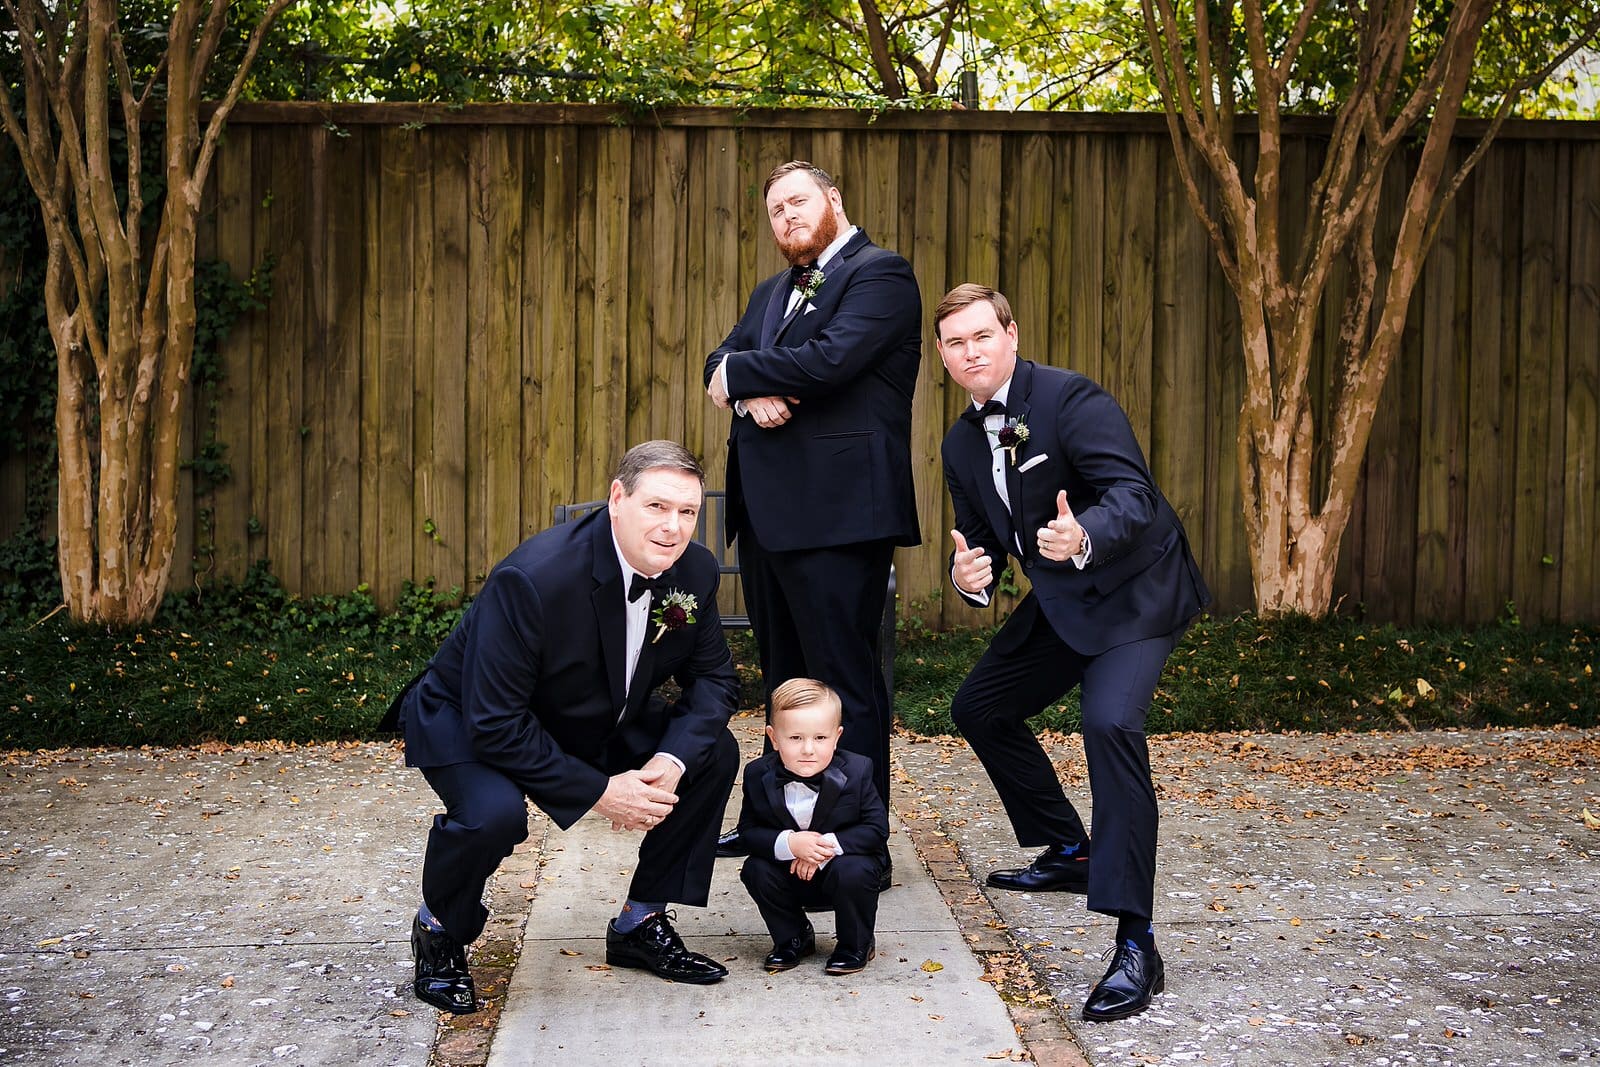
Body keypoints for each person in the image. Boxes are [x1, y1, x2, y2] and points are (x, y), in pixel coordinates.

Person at [379, 440, 741, 1013]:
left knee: (711, 753)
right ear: (617, 498)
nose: (674, 528)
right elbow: (495, 722)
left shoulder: (691, 571)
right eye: (657, 507)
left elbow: (716, 682)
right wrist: (601, 791)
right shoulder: (535, 577)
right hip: (470, 716)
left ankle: (640, 922)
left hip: (589, 711)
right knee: (493, 816)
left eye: (688, 512)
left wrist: (668, 762)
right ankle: (442, 928)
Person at [932, 284, 1210, 1022]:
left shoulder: (1070, 399)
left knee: (1110, 726)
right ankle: (1068, 846)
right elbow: (978, 541)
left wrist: (1082, 533)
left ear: (1011, 335)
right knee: (980, 707)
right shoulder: (959, 443)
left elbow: (1133, 495)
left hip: (1136, 590)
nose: (971, 351)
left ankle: (1136, 942)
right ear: (943, 356)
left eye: (982, 336)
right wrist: (968, 575)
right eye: (955, 343)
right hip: (1063, 600)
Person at [703, 160, 921, 847]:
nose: (786, 217)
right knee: (786, 682)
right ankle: (781, 821)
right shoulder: (773, 290)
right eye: (774, 210)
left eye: (797, 201)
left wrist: (735, 373)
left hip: (839, 515)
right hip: (766, 517)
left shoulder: (881, 274)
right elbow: (720, 354)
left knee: (843, 683)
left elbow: (829, 360)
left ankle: (861, 836)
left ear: (833, 198)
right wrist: (740, 384)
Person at [736, 679, 888, 977]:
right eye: (795, 738)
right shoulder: (757, 774)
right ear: (774, 737)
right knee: (756, 870)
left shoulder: (857, 771)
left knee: (856, 870)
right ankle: (793, 936)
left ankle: (855, 943)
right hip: (790, 874)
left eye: (820, 738)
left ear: (837, 737)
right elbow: (749, 831)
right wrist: (790, 844)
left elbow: (876, 829)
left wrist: (821, 848)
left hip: (842, 871)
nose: (808, 749)